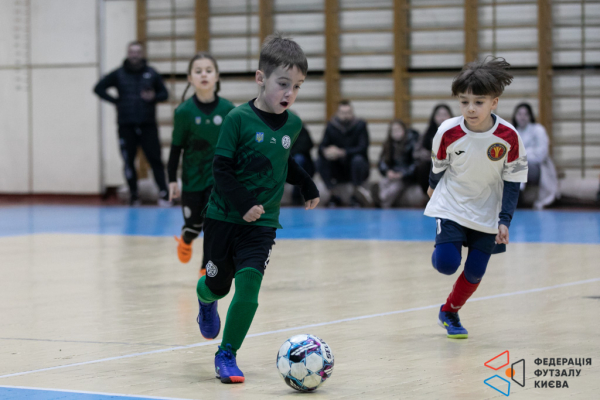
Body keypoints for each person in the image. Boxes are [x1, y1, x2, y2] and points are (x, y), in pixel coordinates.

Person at [194, 34, 319, 384]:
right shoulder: (237, 118)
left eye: (297, 86)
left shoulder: (292, 124)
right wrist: (244, 203)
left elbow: (281, 161)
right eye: (283, 83)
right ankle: (205, 299)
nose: (290, 93)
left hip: (262, 224)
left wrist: (306, 183)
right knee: (217, 286)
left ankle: (227, 353)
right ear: (260, 78)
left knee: (249, 288)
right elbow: (221, 170)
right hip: (222, 218)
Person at [424, 57, 528, 339]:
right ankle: (443, 247)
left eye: (478, 102)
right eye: (464, 101)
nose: (470, 108)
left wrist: (505, 220)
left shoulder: (509, 136)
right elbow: (437, 165)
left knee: (475, 272)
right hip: (452, 205)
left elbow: (513, 181)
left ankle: (449, 312)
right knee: (446, 264)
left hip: (487, 212)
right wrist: (432, 188)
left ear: (494, 102)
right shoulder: (447, 131)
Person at [167, 53, 236, 271]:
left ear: (217, 76)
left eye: (208, 70)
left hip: (218, 180)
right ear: (190, 78)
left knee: (213, 226)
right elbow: (176, 148)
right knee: (193, 227)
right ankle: (186, 239)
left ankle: (206, 271)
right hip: (192, 179)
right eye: (198, 71)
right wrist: (172, 180)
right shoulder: (183, 112)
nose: (204, 75)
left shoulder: (228, 110)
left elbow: (236, 146)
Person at [94, 41, 170, 206]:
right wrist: (115, 101)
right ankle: (134, 195)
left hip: (147, 125)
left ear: (142, 54)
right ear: (128, 54)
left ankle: (164, 193)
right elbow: (98, 88)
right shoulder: (118, 74)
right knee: (128, 161)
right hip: (126, 124)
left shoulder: (151, 73)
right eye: (131, 52)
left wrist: (154, 97)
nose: (134, 55)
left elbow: (165, 94)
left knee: (155, 160)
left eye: (137, 52)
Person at [317, 100, 372, 207]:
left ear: (352, 112)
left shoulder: (360, 125)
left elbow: (363, 147)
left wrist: (343, 152)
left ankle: (355, 196)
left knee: (358, 160)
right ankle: (333, 195)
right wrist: (327, 151)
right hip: (338, 167)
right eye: (343, 113)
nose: (346, 115)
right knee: (320, 161)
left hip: (355, 166)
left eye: (348, 112)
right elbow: (321, 147)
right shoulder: (331, 126)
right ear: (338, 113)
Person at [512, 103, 559, 209]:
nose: (522, 117)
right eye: (519, 114)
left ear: (530, 116)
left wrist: (522, 156)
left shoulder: (538, 130)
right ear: (515, 116)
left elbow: (541, 155)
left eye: (525, 114)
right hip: (515, 165)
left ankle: (517, 199)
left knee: (517, 164)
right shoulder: (512, 132)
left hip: (537, 167)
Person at [377, 119, 419, 208]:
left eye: (398, 130)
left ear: (404, 130)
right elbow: (382, 161)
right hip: (392, 174)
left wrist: (402, 174)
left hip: (405, 177)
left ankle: (381, 202)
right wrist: (387, 171)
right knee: (383, 183)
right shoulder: (388, 144)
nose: (396, 133)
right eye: (393, 131)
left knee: (394, 188)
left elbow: (415, 163)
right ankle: (380, 200)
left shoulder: (411, 144)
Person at [414, 104, 453, 195]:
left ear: (450, 116)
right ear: (434, 117)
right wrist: (426, 155)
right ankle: (428, 194)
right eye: (439, 115)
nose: (442, 118)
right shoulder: (427, 133)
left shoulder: (456, 132)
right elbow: (416, 152)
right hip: (430, 165)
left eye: (445, 115)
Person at [289, 123, 315, 205]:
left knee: (298, 159)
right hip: (282, 160)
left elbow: (306, 145)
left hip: (299, 161)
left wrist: (287, 155)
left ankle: (296, 195)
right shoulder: (275, 129)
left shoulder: (300, 128)